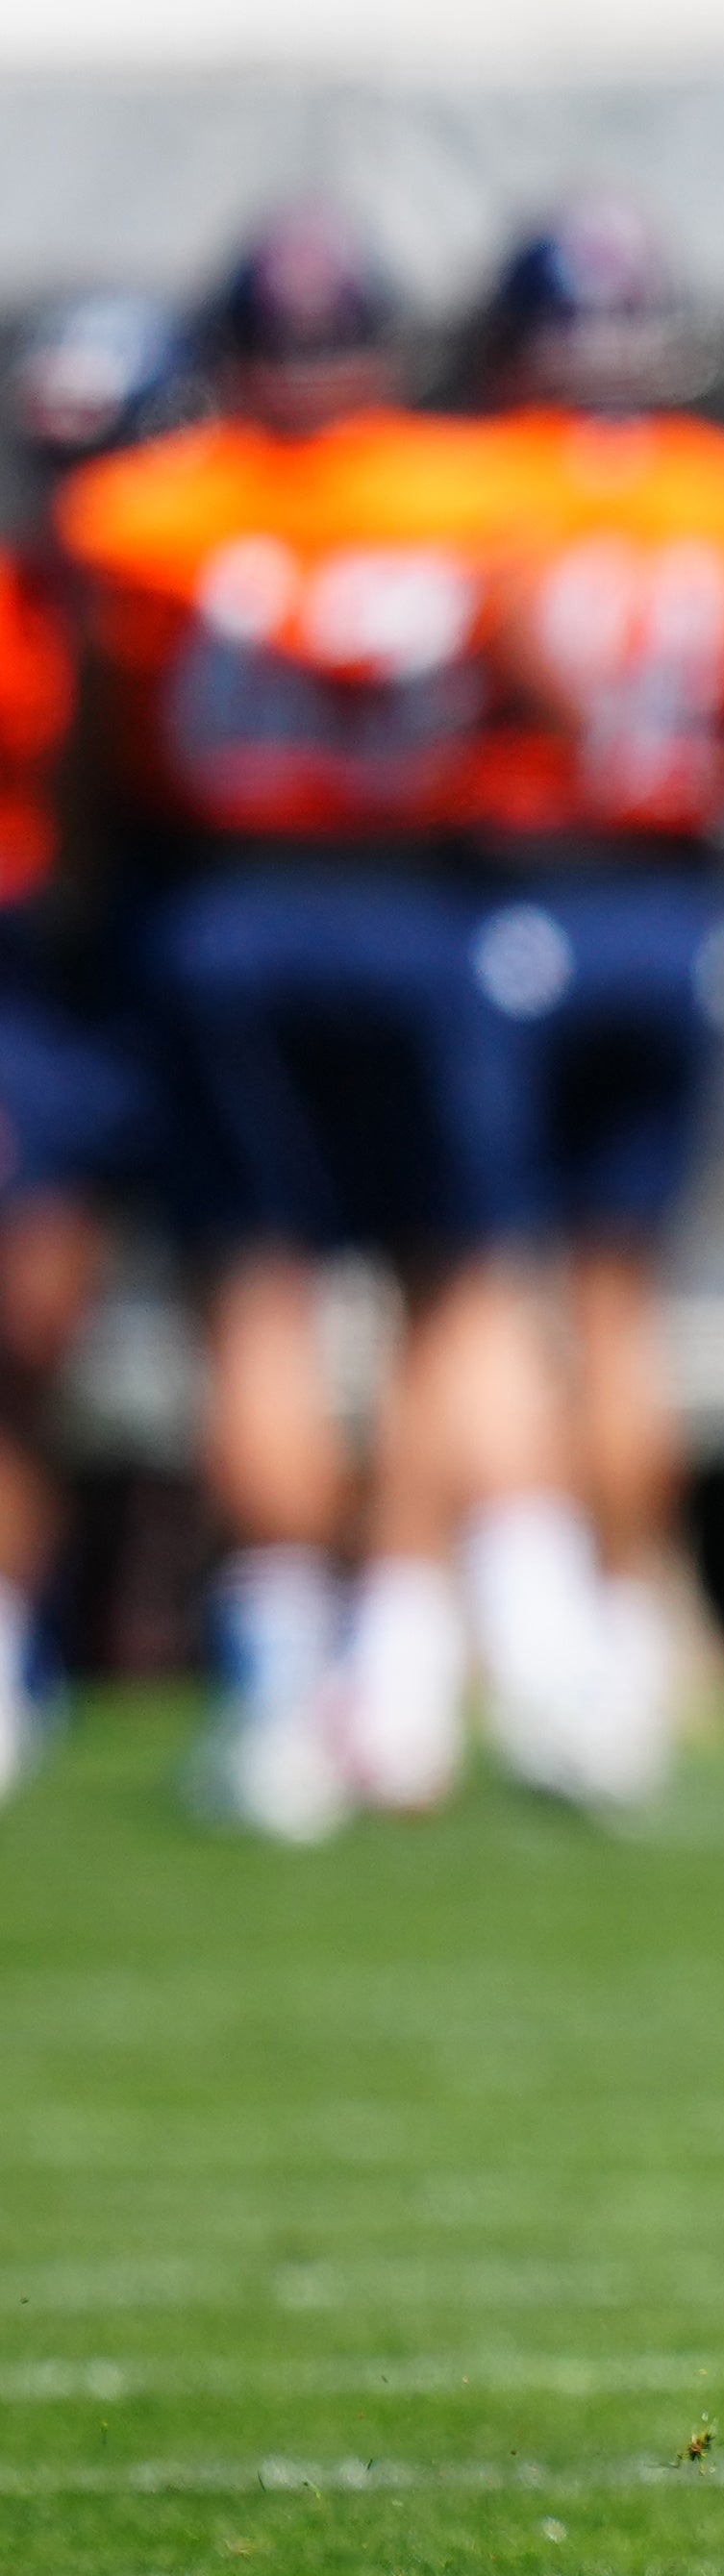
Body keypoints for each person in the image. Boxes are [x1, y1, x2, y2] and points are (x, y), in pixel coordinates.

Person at [55, 203, 605, 1835]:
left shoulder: (150, 512)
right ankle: (547, 1660)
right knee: (460, 1279)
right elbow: (550, 704)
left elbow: (110, 738)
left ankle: (291, 1698)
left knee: (259, 1302)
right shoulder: (474, 496)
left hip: (229, 901)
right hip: (414, 902)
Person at [459, 196, 724, 1807]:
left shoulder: (467, 485)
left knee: (477, 1290)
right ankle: (629, 1635)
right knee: (621, 1298)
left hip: (516, 889)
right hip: (671, 899)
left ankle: (531, 1646)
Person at [0, 295, 197, 1798]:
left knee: (292, 1299)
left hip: (209, 956)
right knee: (28, 1329)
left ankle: (309, 1654)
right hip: (44, 984)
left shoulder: (232, 587)